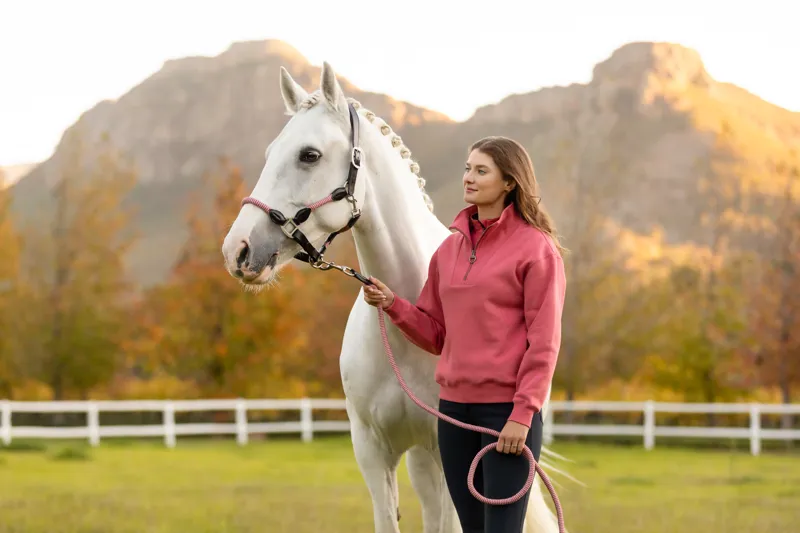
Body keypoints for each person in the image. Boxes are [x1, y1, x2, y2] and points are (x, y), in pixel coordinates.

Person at [363, 136, 567, 533]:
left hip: (505, 415)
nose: (468, 178)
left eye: (480, 170)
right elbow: (436, 334)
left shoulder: (537, 250)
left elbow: (544, 344)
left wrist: (522, 415)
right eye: (467, 168)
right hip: (453, 412)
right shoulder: (448, 251)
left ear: (510, 182)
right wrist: (393, 304)